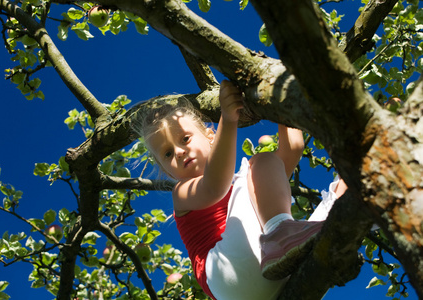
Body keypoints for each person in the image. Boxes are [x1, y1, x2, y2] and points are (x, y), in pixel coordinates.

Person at [139, 80, 334, 299]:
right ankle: (281, 233)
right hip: (227, 272)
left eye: (185, 139)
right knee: (259, 163)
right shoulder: (182, 194)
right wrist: (228, 119)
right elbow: (214, 187)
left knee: (341, 198)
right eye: (167, 154)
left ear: (211, 137)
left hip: (263, 276)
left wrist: (283, 104)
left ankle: (363, 203)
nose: (179, 152)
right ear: (167, 172)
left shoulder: (255, 192)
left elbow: (292, 149)